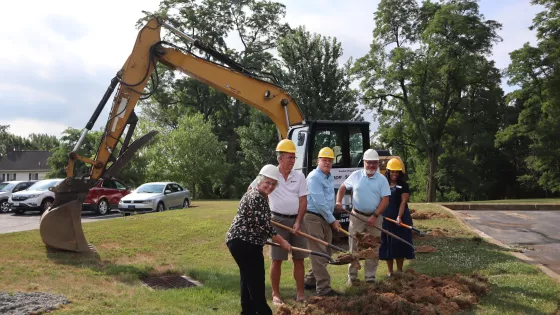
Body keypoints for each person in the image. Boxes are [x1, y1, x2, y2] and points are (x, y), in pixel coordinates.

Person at [248, 139, 309, 304]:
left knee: (299, 258)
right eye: (289, 157)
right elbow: (252, 189)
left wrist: (298, 221)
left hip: (297, 221)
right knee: (277, 259)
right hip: (277, 221)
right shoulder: (270, 173)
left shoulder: (300, 176)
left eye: (294, 157)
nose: (292, 161)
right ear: (280, 159)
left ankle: (300, 293)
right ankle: (276, 294)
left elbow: (303, 201)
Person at [226, 164, 291, 315]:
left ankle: (247, 312)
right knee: (256, 285)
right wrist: (283, 242)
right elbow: (265, 227)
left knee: (247, 279)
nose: (270, 186)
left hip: (241, 242)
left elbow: (259, 224)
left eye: (273, 184)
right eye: (267, 182)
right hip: (244, 244)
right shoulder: (256, 197)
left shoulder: (256, 194)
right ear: (259, 181)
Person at [335, 149, 390, 286]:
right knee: (354, 247)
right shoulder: (356, 176)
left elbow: (385, 200)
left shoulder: (382, 180)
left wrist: (374, 215)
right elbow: (342, 187)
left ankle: (370, 277)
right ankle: (352, 278)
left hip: (375, 218)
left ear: (377, 164)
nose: (371, 166)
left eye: (374, 163)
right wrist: (338, 201)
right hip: (356, 216)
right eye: (369, 163)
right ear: (364, 163)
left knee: (373, 247)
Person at [303, 147, 342, 297]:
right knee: (319, 253)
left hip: (324, 217)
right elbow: (319, 202)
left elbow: (327, 199)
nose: (327, 163)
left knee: (326, 252)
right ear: (318, 161)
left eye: (329, 160)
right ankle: (324, 289)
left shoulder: (328, 176)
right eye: (324, 160)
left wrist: (334, 209)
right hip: (313, 217)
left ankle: (310, 280)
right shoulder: (314, 177)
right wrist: (333, 220)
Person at [379, 158, 415, 276]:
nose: (395, 174)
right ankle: (390, 272)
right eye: (392, 172)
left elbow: (403, 203)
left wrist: (399, 217)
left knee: (400, 244)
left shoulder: (403, 186)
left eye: (397, 172)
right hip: (386, 219)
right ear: (388, 171)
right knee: (388, 244)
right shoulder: (382, 184)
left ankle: (399, 270)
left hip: (400, 217)